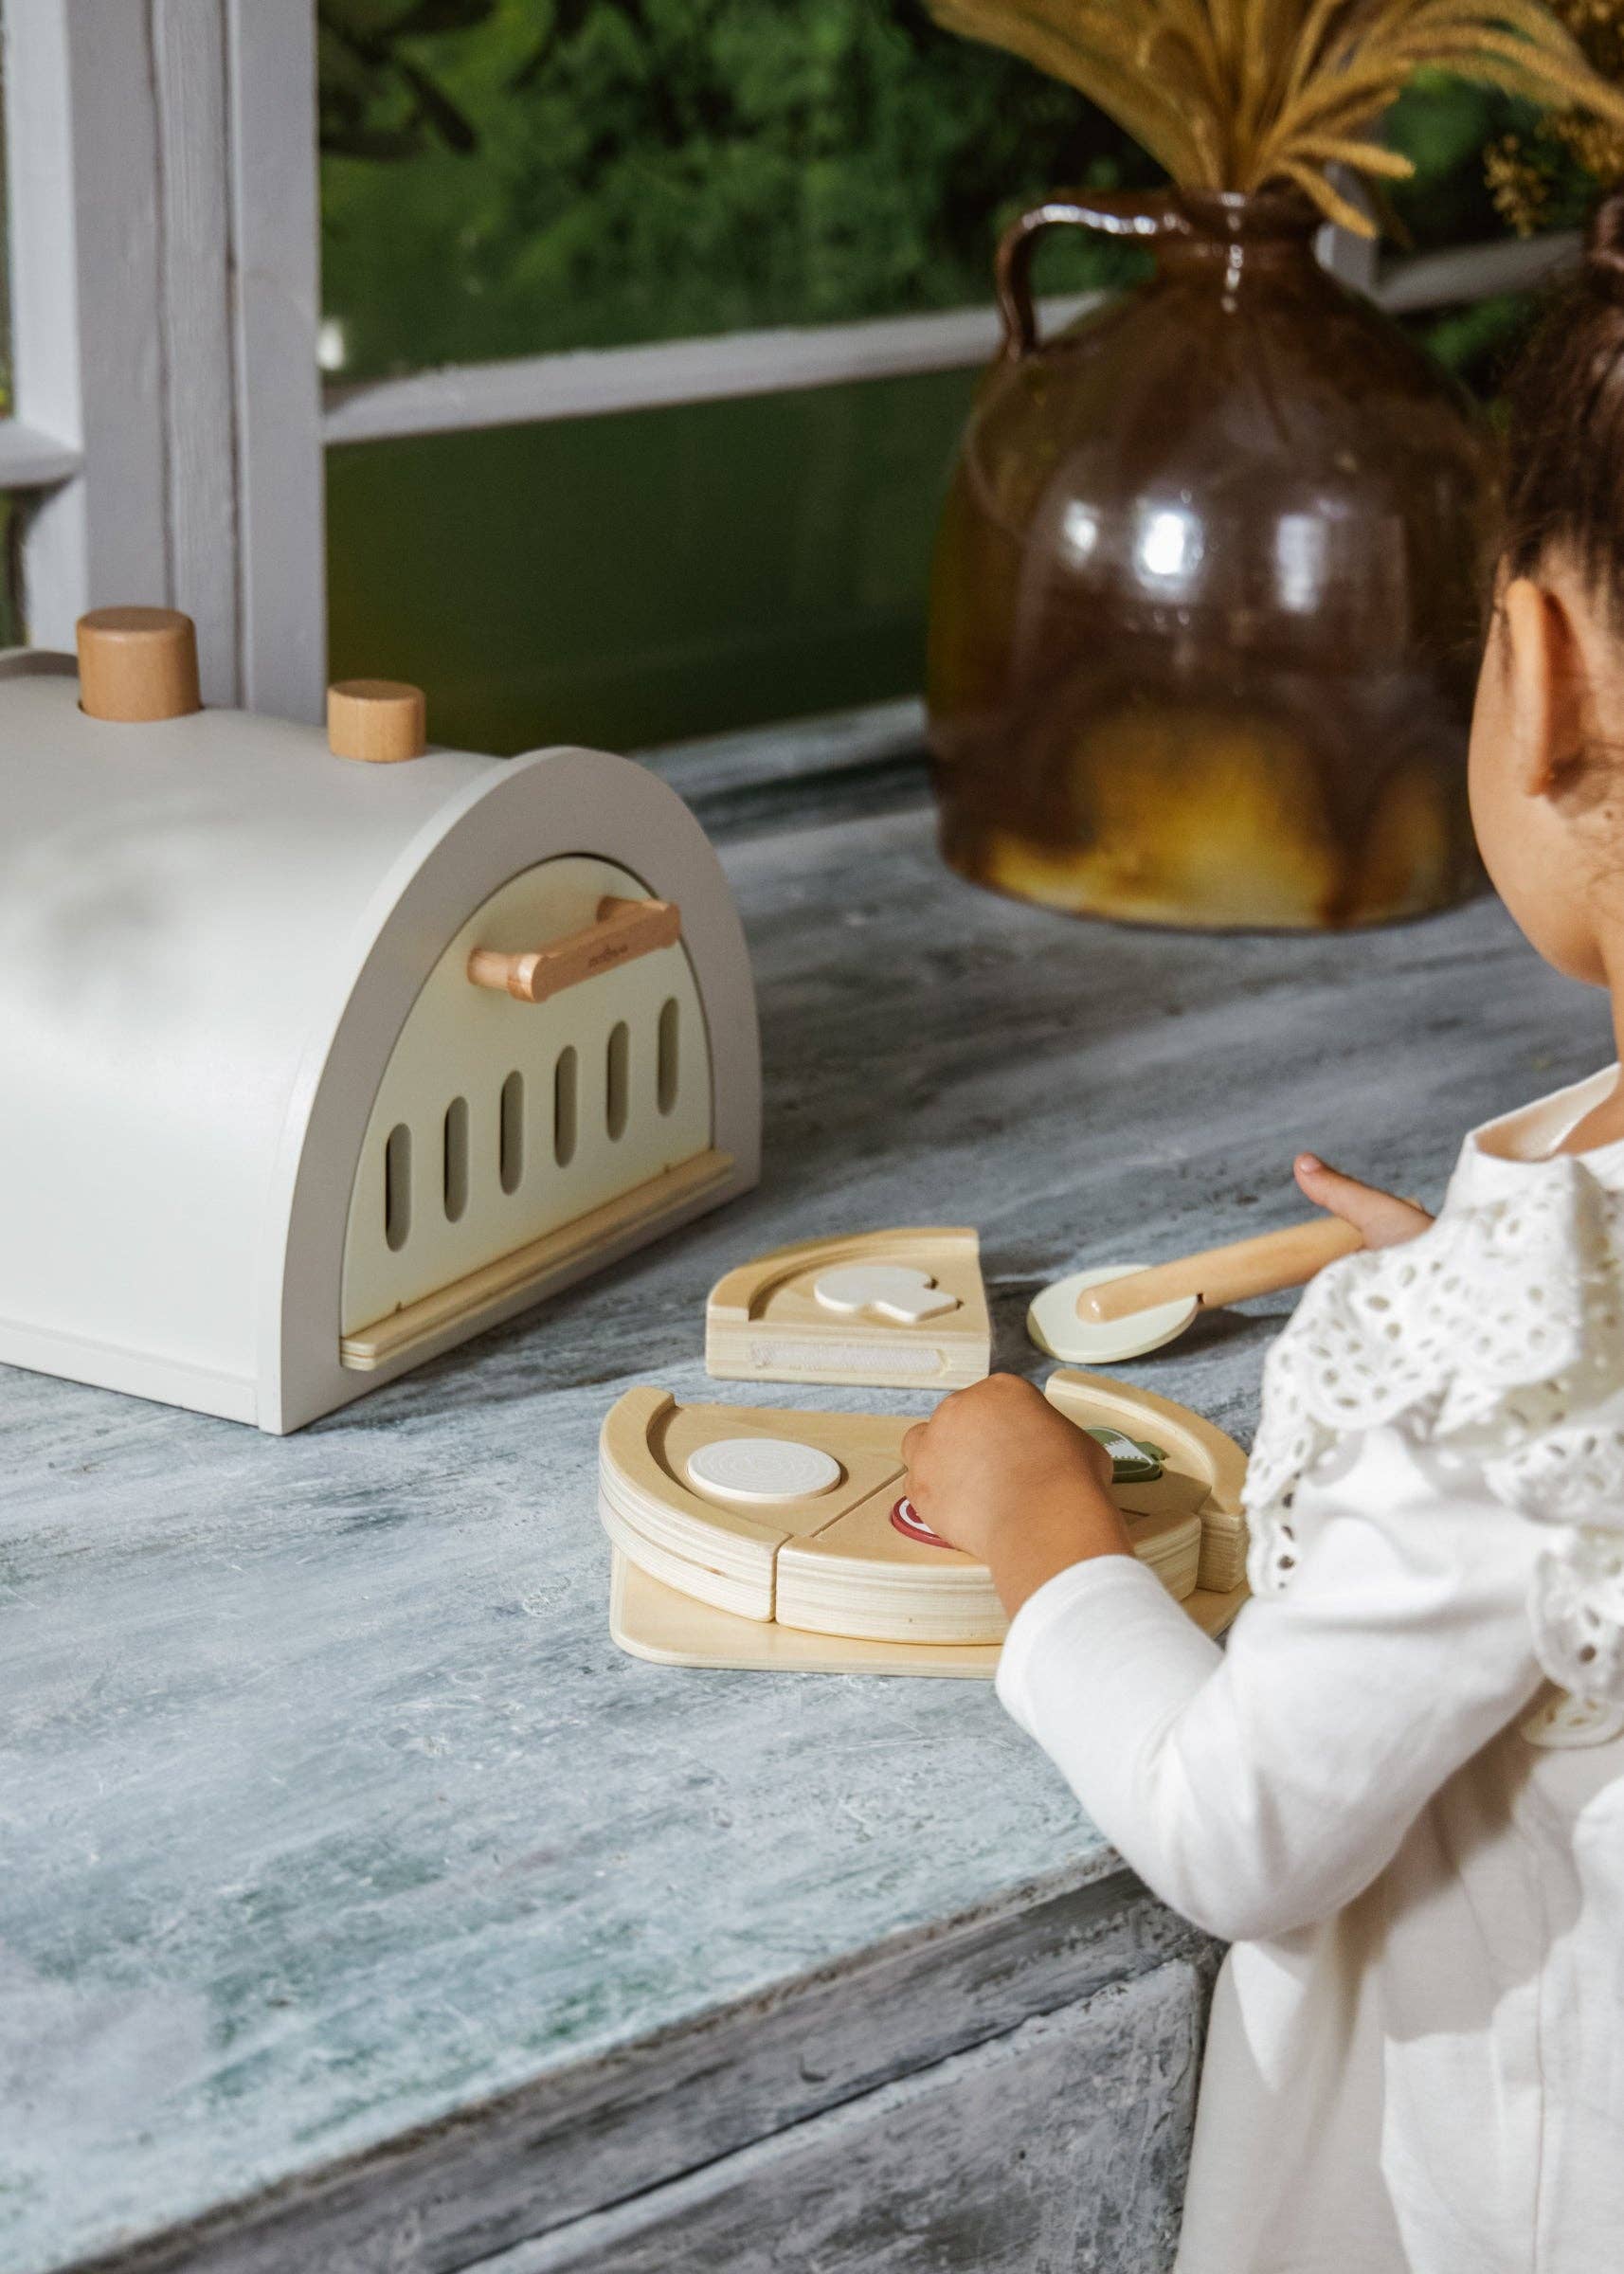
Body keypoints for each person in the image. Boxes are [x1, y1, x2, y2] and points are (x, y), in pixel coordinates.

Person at [901, 196, 1624, 2274]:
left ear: (1537, 676)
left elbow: (1240, 1827)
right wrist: (1487, 1327)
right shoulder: (1530, 1351)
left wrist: (1048, 1528)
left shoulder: (1528, 1371)